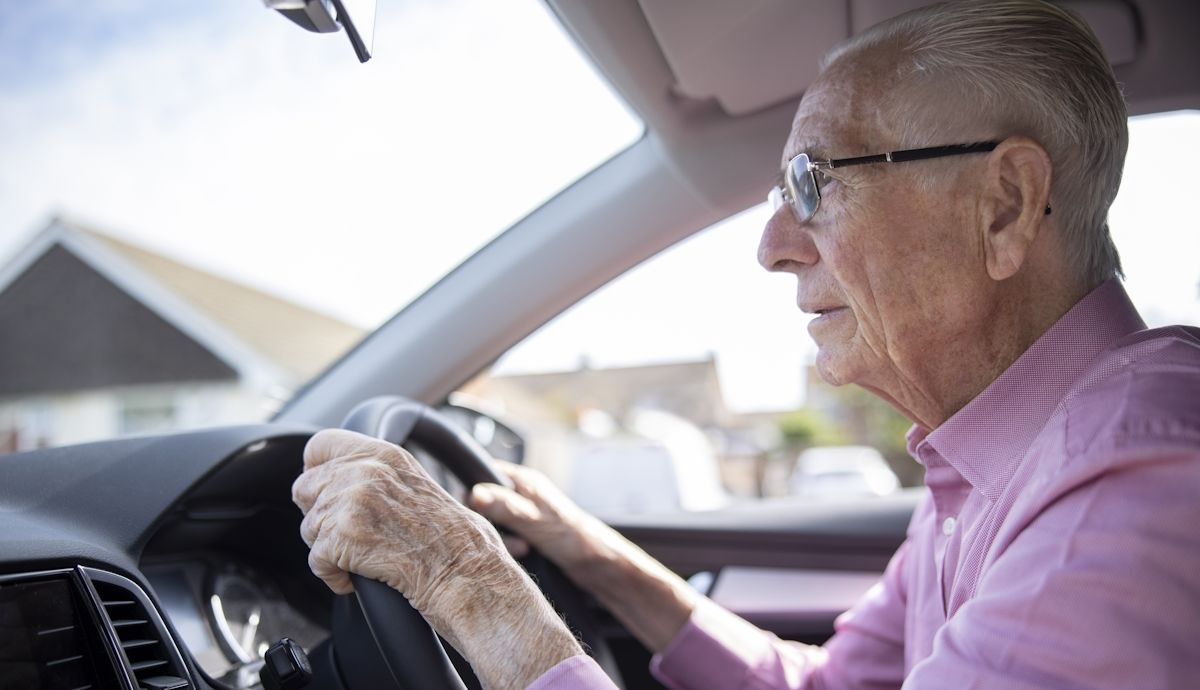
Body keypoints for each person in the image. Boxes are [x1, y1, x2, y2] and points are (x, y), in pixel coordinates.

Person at [290, 0, 1200, 688]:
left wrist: (467, 581)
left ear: (1002, 206)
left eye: (814, 181)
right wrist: (592, 554)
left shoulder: (1127, 489)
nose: (772, 246)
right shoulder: (998, 464)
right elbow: (828, 685)